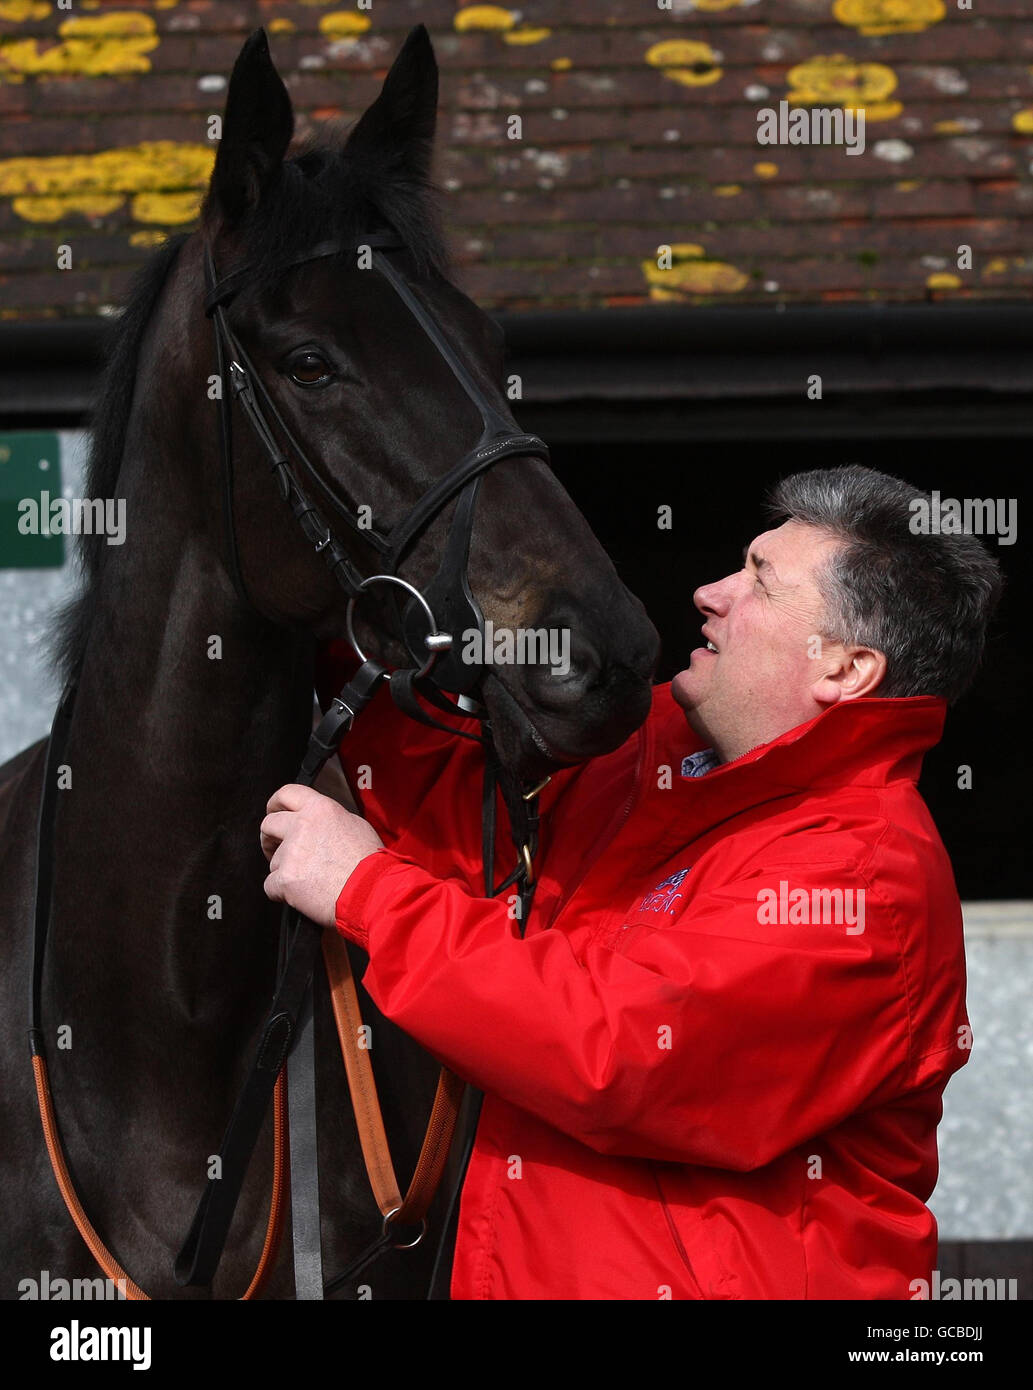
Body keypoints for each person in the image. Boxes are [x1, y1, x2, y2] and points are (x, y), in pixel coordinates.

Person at [260, 464, 1003, 1300]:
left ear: (843, 670)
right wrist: (326, 621)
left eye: (758, 582)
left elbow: (616, 1053)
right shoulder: (647, 760)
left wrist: (365, 890)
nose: (709, 593)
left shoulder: (864, 876)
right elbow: (453, 817)